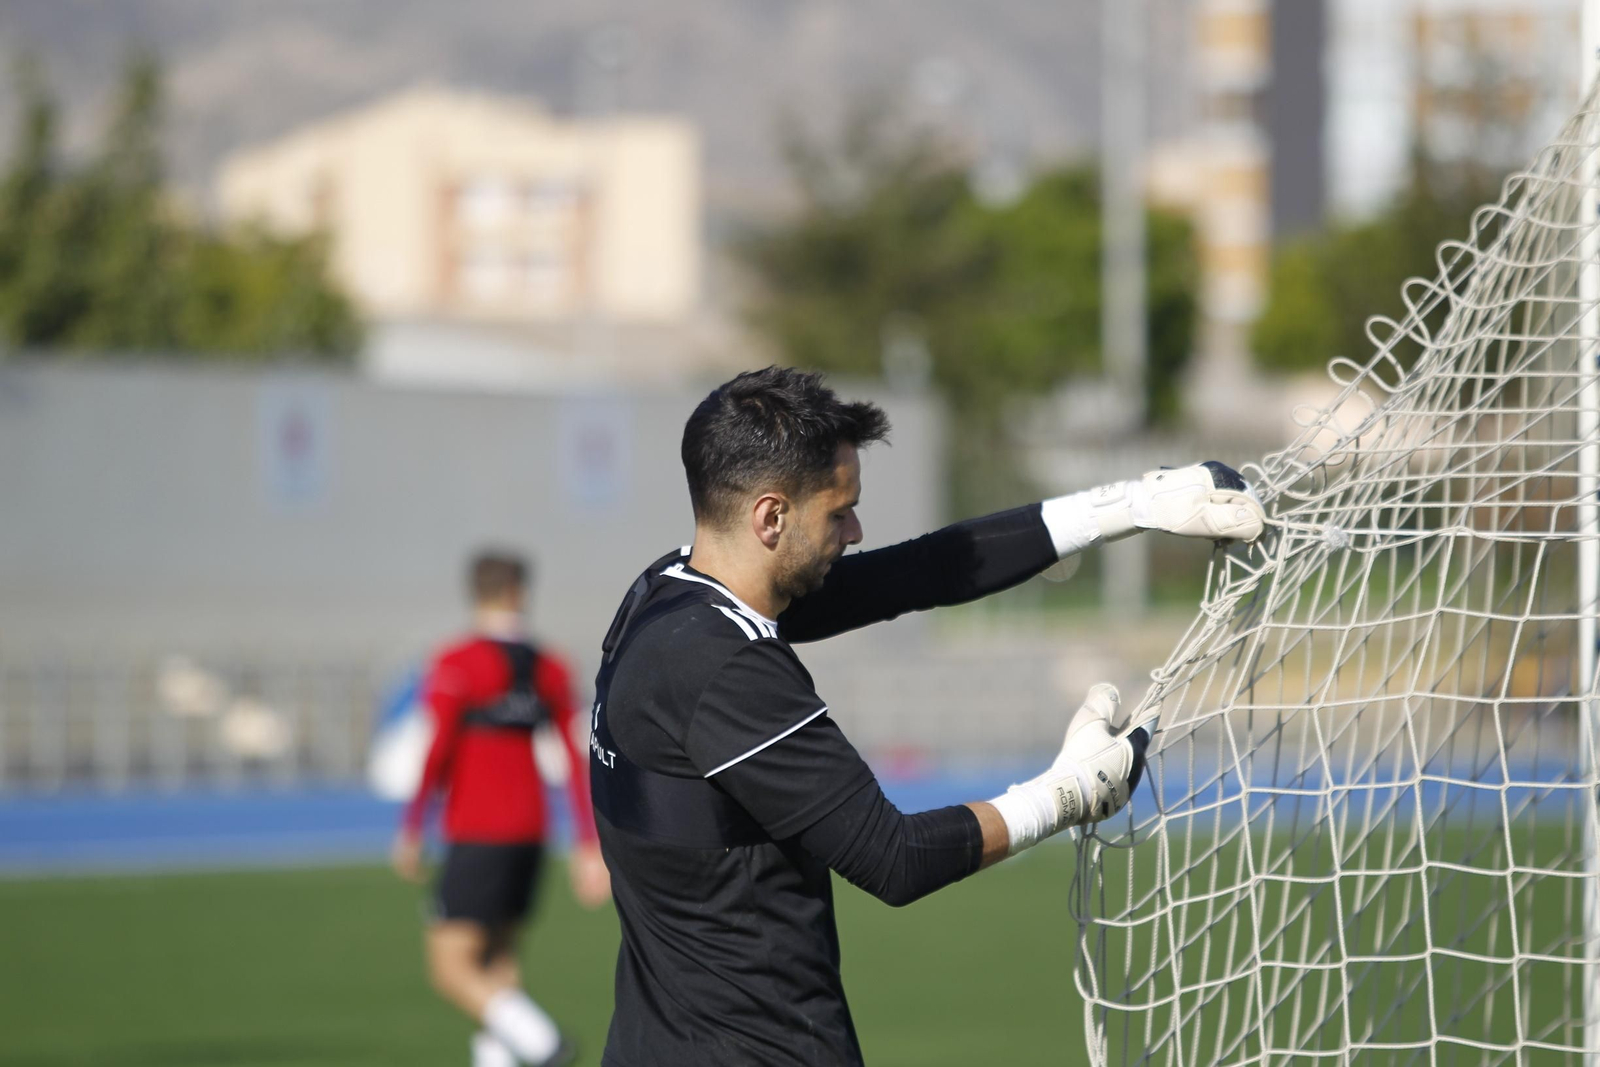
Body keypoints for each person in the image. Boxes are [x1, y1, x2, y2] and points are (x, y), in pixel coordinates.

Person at [589, 367, 1266, 1067]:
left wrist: (1127, 505)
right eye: (838, 511)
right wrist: (1068, 793)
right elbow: (894, 857)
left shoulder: (664, 594)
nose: (854, 530)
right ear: (770, 516)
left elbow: (910, 573)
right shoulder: (724, 669)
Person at [394, 551, 610, 1067]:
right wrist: (587, 844)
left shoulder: (455, 662)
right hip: (531, 832)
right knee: (499, 962)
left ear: (475, 592)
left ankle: (542, 1043)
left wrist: (412, 826)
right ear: (521, 592)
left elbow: (438, 749)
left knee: (450, 968)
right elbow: (576, 762)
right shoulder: (551, 666)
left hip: (477, 831)